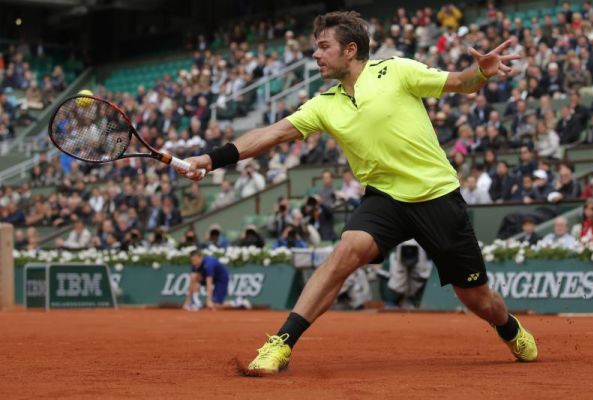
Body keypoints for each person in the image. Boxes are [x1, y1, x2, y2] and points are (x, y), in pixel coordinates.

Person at [178, 11, 537, 373]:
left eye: (323, 47)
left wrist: (481, 72)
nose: (316, 55)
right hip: (384, 199)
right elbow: (269, 134)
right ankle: (282, 343)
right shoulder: (324, 104)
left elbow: (461, 82)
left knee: (476, 298)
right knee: (344, 253)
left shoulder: (396, 71)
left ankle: (508, 326)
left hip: (436, 194)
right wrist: (210, 158)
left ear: (350, 50)